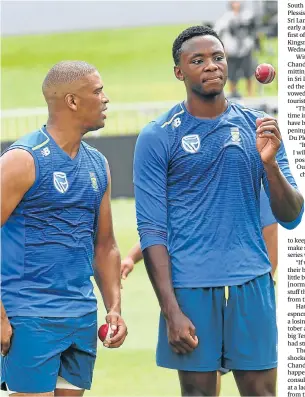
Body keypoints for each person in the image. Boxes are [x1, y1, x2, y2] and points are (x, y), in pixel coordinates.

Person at [133, 26, 304, 396]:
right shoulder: (157, 135)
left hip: (253, 284)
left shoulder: (259, 126)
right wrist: (170, 310)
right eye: (198, 60)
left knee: (262, 392)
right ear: (179, 71)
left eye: (218, 57)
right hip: (191, 290)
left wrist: (270, 165)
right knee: (198, 394)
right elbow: (151, 231)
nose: (211, 66)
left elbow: (292, 215)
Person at [0, 61, 127, 396]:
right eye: (97, 91)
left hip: (80, 317)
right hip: (29, 317)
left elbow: (106, 246)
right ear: (72, 101)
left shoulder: (98, 164)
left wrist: (114, 307)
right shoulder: (22, 160)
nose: (106, 99)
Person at [120, 188, 278, 396]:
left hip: (244, 294)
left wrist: (261, 289)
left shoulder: (254, 182)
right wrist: (132, 257)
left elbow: (271, 234)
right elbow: (169, 227)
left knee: (259, 390)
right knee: (204, 382)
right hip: (201, 292)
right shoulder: (199, 185)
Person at [214, 1, 258, 98]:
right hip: (232, 51)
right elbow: (218, 31)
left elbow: (254, 31)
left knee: (249, 73)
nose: (236, 4)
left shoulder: (248, 16)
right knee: (232, 75)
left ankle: (251, 94)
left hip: (246, 50)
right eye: (234, 2)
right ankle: (233, 95)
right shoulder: (226, 18)